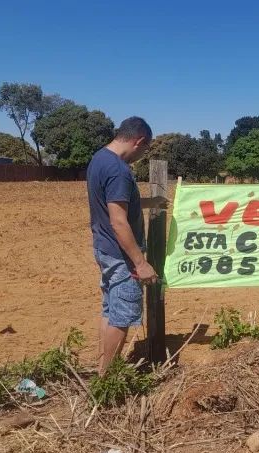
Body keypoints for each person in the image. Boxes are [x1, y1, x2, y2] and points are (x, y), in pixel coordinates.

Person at [86, 116, 160, 375]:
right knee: (121, 314)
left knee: (109, 309)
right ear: (139, 141)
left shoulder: (99, 159)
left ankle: (102, 367)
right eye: (145, 149)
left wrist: (152, 204)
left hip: (104, 248)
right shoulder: (118, 170)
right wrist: (140, 263)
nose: (141, 155)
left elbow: (115, 208)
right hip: (121, 256)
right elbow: (119, 222)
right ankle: (107, 377)